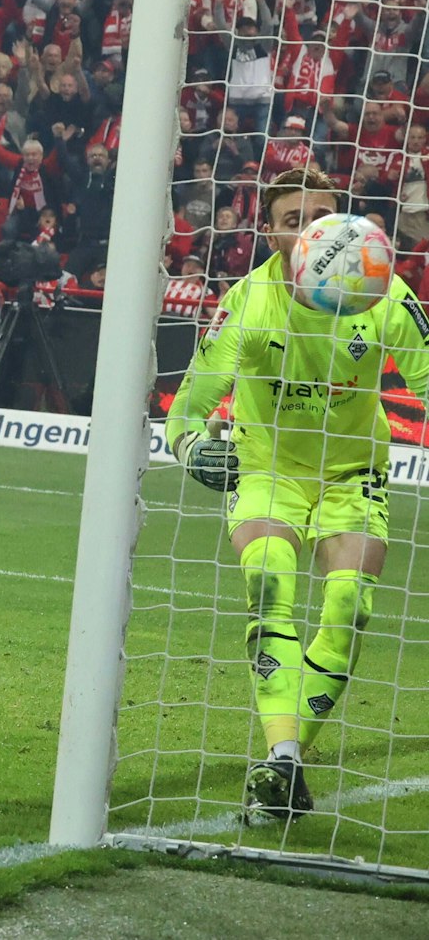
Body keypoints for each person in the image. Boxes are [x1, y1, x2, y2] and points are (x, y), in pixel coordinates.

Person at [165, 168, 429, 821]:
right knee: (269, 585)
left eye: (323, 219)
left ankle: (287, 762)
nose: (313, 235)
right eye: (293, 221)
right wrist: (196, 449)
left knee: (348, 603)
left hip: (352, 475)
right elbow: (184, 413)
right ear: (270, 232)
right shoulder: (248, 304)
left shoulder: (384, 295)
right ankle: (283, 759)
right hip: (267, 470)